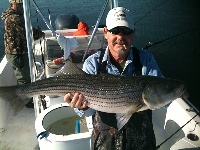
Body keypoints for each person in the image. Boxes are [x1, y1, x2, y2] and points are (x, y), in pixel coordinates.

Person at [64, 7, 163, 150]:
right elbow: (89, 112)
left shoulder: (146, 59)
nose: (120, 37)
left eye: (126, 31)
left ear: (133, 33)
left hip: (142, 143)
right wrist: (82, 107)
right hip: (105, 143)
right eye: (115, 31)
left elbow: (161, 97)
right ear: (106, 33)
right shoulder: (93, 63)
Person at [1, 0, 45, 108]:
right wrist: (40, 33)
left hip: (17, 52)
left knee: (26, 76)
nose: (21, 7)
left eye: (22, 4)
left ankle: (27, 98)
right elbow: (28, 33)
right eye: (19, 4)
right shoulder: (15, 18)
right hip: (17, 54)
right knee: (24, 79)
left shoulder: (12, 16)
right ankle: (27, 102)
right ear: (12, 4)